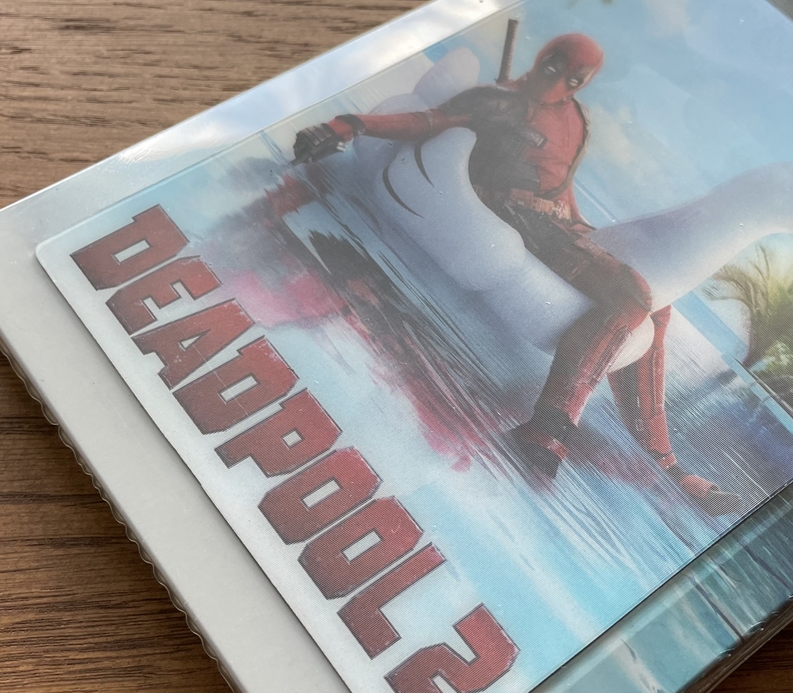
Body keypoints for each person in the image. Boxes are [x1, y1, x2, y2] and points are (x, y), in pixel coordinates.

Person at [292, 33, 740, 515]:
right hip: (513, 217)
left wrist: (582, 231)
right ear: (542, 58)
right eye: (553, 68)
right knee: (631, 295)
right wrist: (348, 124)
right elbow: (426, 122)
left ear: (582, 84)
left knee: (656, 304)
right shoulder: (497, 103)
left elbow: (561, 187)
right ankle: (548, 428)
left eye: (572, 79)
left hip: (557, 226)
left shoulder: (577, 118)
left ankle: (665, 464)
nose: (556, 83)